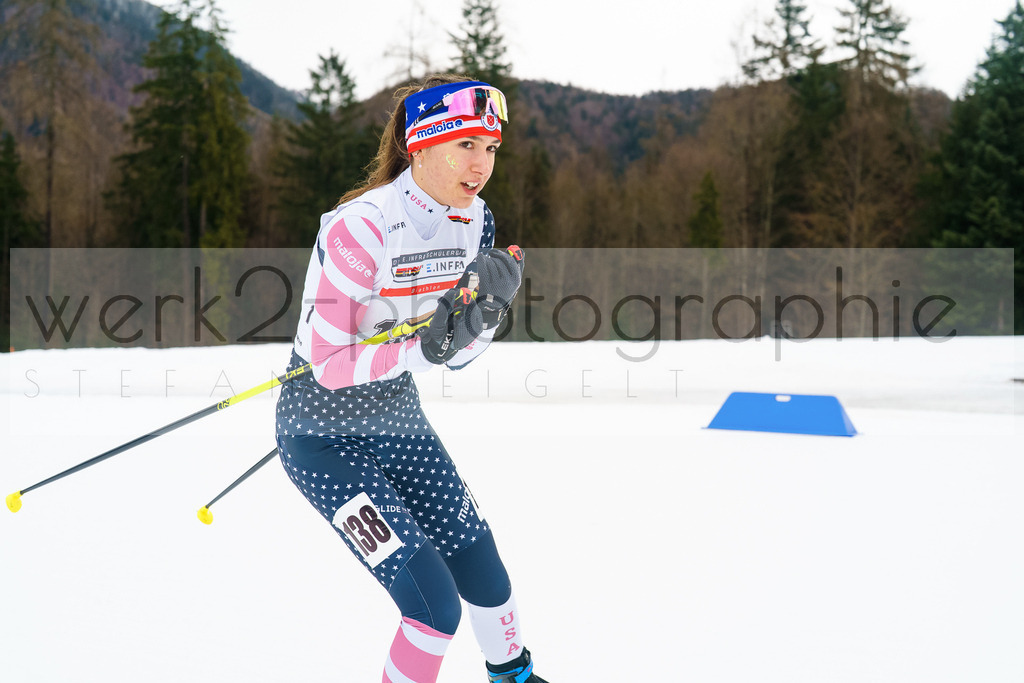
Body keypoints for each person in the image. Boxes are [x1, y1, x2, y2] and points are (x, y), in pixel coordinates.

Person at [275, 74, 549, 683]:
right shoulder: (361, 226)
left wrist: (485, 318)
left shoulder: (476, 222)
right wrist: (423, 350)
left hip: (395, 414)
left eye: (492, 149)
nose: (480, 165)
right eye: (466, 146)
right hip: (321, 431)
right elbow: (327, 362)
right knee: (433, 606)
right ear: (421, 145)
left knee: (482, 564)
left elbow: (456, 356)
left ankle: (515, 678)